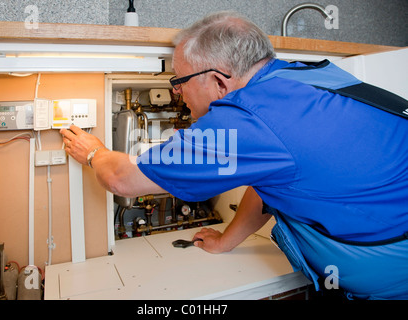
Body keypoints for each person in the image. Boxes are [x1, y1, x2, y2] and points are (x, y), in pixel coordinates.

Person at [61, 11, 408, 299]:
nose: (178, 93)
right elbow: (272, 179)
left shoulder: (247, 120)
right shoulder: (306, 75)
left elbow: (122, 178)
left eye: (179, 81)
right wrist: (226, 241)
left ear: (219, 82)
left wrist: (94, 151)